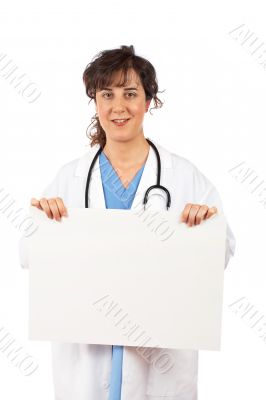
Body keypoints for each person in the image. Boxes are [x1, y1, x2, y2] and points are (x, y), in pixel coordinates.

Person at [19, 45, 236, 400]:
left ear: (148, 102)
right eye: (107, 95)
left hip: (161, 367)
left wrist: (205, 227)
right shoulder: (68, 180)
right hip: (85, 366)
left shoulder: (185, 177)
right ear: (95, 102)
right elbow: (28, 255)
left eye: (130, 94)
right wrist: (45, 226)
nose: (118, 107)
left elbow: (222, 252)